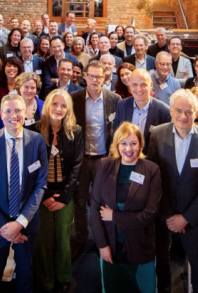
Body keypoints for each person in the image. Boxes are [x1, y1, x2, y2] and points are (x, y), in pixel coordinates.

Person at [147, 89, 198, 293]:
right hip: (163, 213)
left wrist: (186, 217)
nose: (183, 116)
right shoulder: (157, 134)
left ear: (196, 113)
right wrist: (170, 214)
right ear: (170, 111)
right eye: (178, 110)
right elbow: (153, 178)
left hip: (193, 217)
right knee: (162, 260)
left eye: (189, 112)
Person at [0, 94, 48, 293]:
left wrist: (20, 223)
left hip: (26, 225)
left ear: (26, 113)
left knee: (25, 279)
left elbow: (40, 184)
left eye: (18, 111)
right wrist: (6, 227)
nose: (13, 115)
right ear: (1, 114)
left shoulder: (37, 141)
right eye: (8, 111)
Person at [91, 123, 161, 293]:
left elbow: (150, 214)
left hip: (140, 244)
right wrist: (102, 245)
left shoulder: (152, 170)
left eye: (133, 143)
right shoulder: (104, 166)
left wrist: (114, 216)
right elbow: (95, 208)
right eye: (124, 143)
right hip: (111, 245)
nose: (128, 148)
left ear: (141, 144)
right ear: (117, 145)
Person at [34, 90, 84, 293]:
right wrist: (44, 196)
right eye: (55, 104)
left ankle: (63, 276)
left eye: (64, 106)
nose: (59, 109)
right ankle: (45, 280)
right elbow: (32, 166)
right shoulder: (34, 129)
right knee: (43, 240)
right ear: (47, 105)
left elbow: (77, 166)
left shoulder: (76, 131)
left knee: (63, 238)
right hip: (40, 195)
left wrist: (64, 197)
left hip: (65, 194)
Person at [71, 61, 121, 258]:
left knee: (104, 202)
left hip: (104, 159)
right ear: (84, 76)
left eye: (98, 77)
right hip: (82, 159)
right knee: (80, 201)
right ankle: (82, 238)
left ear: (105, 77)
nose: (94, 80)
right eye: (91, 76)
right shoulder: (74, 99)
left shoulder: (115, 99)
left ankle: (105, 240)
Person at [114, 68, 171, 150]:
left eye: (143, 84)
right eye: (135, 85)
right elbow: (116, 137)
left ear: (151, 85)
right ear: (130, 85)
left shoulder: (164, 111)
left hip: (150, 160)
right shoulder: (121, 105)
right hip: (125, 158)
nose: (139, 89)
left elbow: (164, 145)